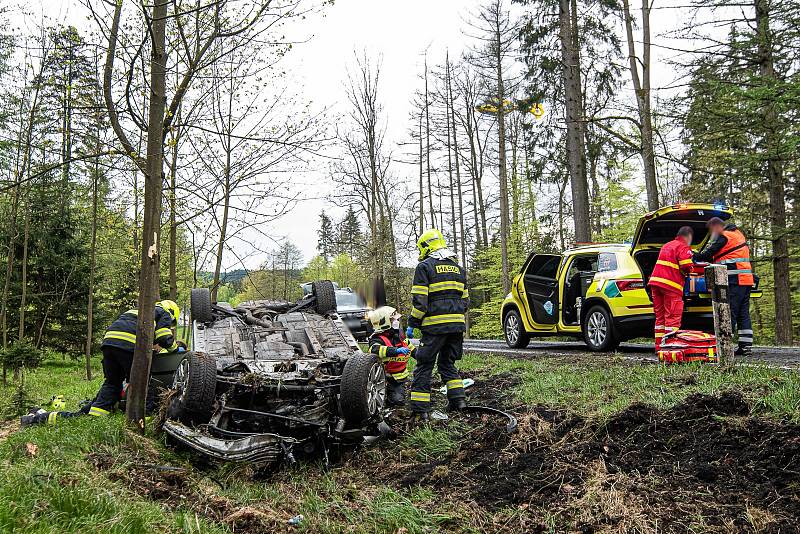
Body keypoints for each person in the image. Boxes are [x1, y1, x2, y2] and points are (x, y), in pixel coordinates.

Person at [21, 300, 184, 426]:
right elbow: (164, 337)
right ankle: (145, 418)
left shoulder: (138, 310)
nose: (171, 324)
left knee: (113, 382)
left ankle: (97, 414)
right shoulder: (163, 312)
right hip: (129, 345)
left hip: (109, 343)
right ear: (172, 313)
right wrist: (177, 350)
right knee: (142, 381)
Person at [406, 229, 469, 419]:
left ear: (426, 246)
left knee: (424, 364)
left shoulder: (424, 267)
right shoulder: (459, 269)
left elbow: (420, 302)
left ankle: (420, 410)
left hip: (434, 327)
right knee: (447, 363)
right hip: (457, 326)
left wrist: (412, 322)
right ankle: (459, 400)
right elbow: (465, 302)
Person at [693, 217, 755, 355]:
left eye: (711, 230)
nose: (711, 233)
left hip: (734, 280)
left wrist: (694, 255)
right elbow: (720, 255)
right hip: (745, 280)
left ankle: (725, 346)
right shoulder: (737, 235)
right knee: (743, 314)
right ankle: (746, 347)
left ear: (716, 227)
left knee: (730, 311)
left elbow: (709, 254)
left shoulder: (724, 236)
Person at [648, 226, 694, 351]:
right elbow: (685, 265)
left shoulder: (667, 245)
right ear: (688, 236)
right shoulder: (683, 246)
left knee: (660, 318)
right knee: (672, 317)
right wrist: (692, 268)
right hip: (671, 286)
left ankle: (659, 347)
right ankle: (671, 347)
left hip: (656, 285)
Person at [366, 306, 415, 406]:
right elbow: (374, 349)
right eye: (393, 319)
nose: (396, 321)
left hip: (399, 380)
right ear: (384, 322)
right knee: (395, 401)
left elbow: (414, 351)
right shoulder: (377, 339)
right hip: (384, 379)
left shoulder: (400, 337)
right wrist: (395, 350)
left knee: (399, 401)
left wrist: (426, 356)